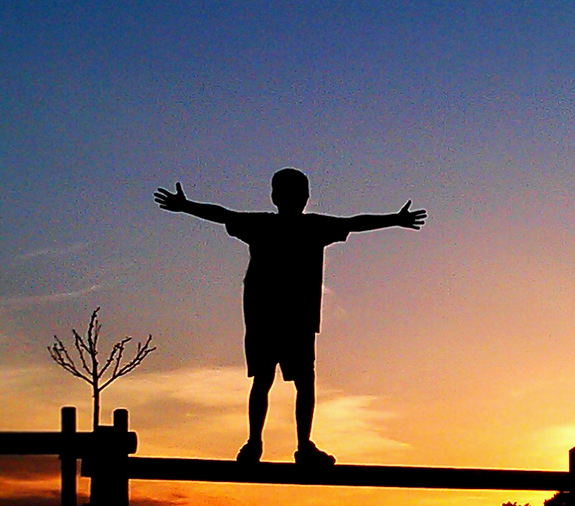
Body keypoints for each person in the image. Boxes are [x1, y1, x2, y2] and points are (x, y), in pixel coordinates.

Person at [154, 168, 425, 466]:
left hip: (281, 318)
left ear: (276, 196)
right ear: (304, 197)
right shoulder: (299, 226)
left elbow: (223, 214)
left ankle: (271, 444)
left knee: (274, 380)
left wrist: (186, 206)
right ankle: (279, 444)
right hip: (280, 318)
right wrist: (394, 220)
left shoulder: (276, 225)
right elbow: (354, 223)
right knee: (285, 380)